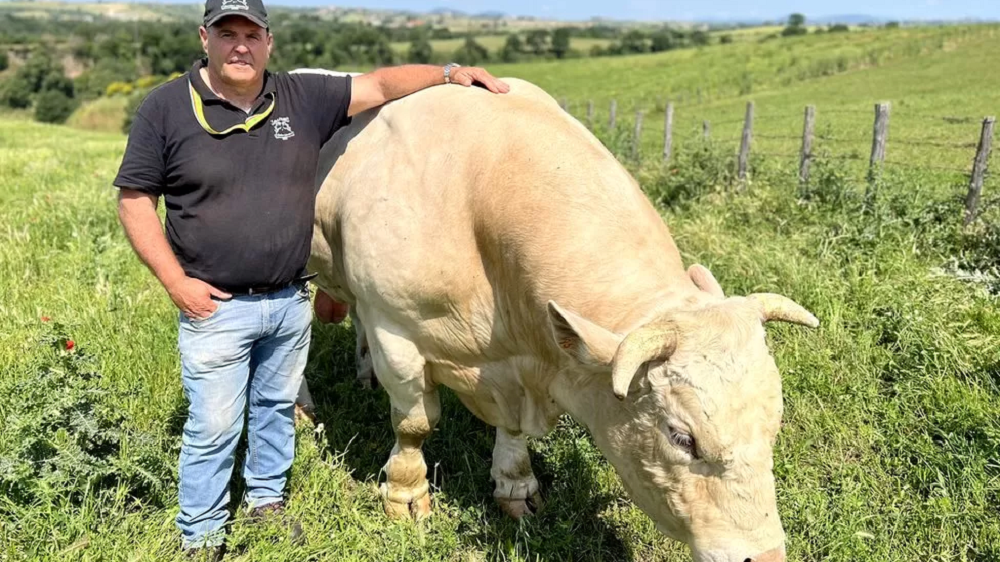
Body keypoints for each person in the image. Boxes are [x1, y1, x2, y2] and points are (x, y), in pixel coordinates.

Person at [113, 0, 509, 556]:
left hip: (287, 300)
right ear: (205, 38)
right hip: (215, 305)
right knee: (213, 427)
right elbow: (134, 201)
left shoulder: (300, 98)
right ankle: (200, 534)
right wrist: (176, 283)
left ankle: (265, 505)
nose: (240, 46)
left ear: (269, 42)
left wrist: (448, 74)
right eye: (228, 34)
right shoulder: (166, 109)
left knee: (276, 410)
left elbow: (378, 85)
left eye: (252, 33)